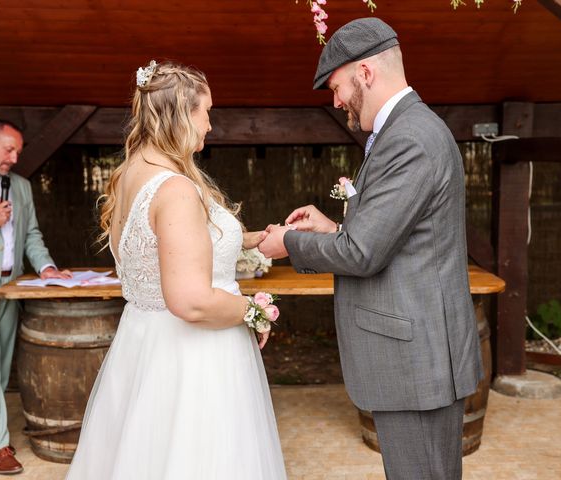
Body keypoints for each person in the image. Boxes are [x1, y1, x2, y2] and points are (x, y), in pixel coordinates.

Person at [259, 18, 483, 480]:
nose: (336, 100)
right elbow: (393, 233)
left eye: (337, 87)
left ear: (364, 72)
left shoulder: (410, 138)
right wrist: (330, 227)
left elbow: (363, 254)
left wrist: (290, 244)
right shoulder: (405, 129)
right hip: (418, 353)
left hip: (417, 361)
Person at [65, 61, 286, 480]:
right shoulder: (176, 189)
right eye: (207, 112)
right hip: (193, 360)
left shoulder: (131, 175)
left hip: (146, 347)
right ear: (182, 114)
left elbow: (170, 250)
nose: (210, 125)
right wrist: (253, 310)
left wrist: (250, 239)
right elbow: (191, 301)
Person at [0, 120, 71, 475]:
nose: (14, 158)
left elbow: (31, 234)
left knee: (0, 370)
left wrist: (46, 267)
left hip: (11, 289)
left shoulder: (22, 187)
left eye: (17, 151)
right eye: (8, 149)